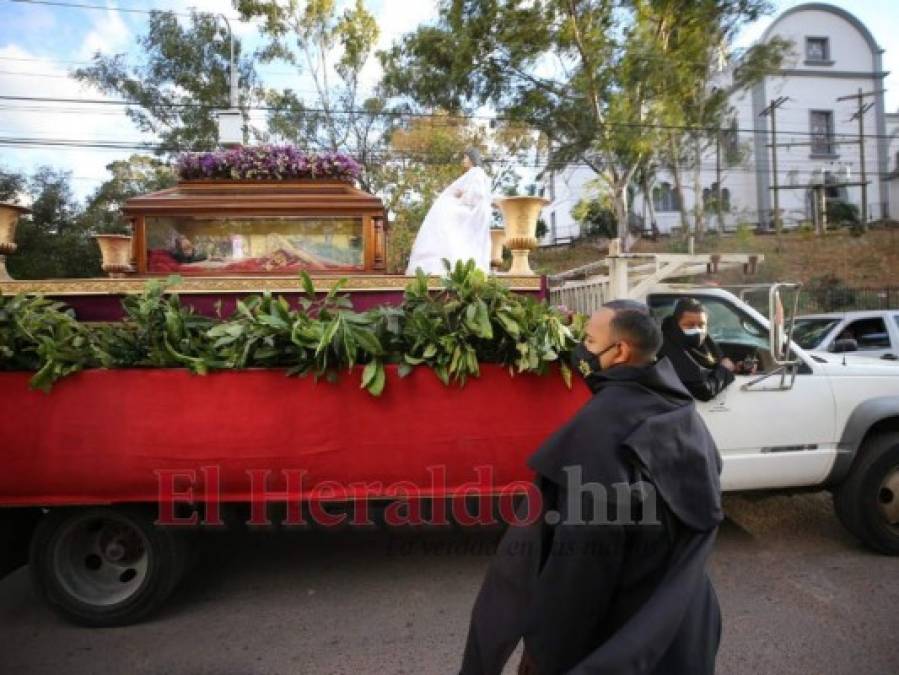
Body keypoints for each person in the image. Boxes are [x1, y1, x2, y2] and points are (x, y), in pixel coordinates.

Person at [459, 300, 724, 675]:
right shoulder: (684, 415)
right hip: (683, 628)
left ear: (620, 351)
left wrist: (544, 653)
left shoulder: (598, 430)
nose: (580, 348)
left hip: (619, 640)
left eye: (588, 339)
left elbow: (581, 563)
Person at [405, 147, 493, 276]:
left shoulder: (476, 172)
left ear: (472, 158)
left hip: (470, 212)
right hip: (473, 212)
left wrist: (460, 196)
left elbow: (476, 195)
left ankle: (441, 262)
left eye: (465, 157)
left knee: (443, 214)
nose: (463, 161)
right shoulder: (477, 173)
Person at [657, 297, 742, 402]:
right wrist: (724, 371)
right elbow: (703, 390)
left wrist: (739, 368)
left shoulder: (706, 342)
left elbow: (716, 363)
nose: (697, 330)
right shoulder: (666, 346)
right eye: (689, 325)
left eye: (701, 325)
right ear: (675, 325)